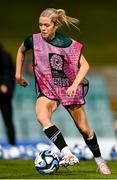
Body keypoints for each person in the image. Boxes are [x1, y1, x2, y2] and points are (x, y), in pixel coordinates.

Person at [15, 8, 111, 174]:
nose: (42, 28)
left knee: (85, 130)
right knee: (41, 116)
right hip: (48, 90)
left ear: (55, 25)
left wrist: (74, 85)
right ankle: (67, 154)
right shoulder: (33, 40)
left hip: (68, 89)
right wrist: (18, 74)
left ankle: (100, 161)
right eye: (40, 24)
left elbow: (85, 65)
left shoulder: (67, 44)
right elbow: (21, 50)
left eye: (46, 25)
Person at [0, 43, 16, 145]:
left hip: (4, 94)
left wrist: (3, 84)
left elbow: (7, 71)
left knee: (8, 121)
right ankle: (12, 144)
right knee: (9, 121)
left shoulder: (4, 55)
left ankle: (12, 144)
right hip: (6, 93)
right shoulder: (7, 54)